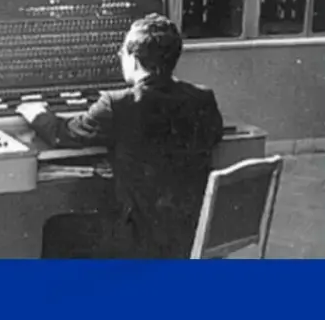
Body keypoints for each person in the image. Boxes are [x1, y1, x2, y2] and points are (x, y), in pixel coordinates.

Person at [16, 13, 224, 259]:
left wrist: (37, 114)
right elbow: (211, 137)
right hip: (190, 237)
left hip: (140, 241)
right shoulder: (203, 98)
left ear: (133, 60)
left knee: (58, 230)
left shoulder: (118, 103)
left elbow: (64, 134)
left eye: (122, 52)